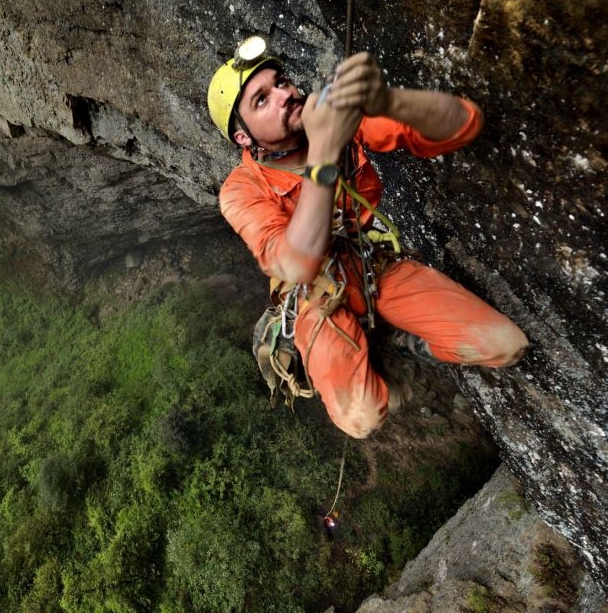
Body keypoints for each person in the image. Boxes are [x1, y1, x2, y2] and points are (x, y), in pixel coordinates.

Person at [207, 38, 528, 439]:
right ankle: (368, 351)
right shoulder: (241, 189)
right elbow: (295, 262)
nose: (285, 95)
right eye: (261, 100)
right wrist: (325, 148)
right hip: (316, 295)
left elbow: (465, 124)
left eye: (282, 82)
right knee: (362, 418)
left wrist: (390, 101)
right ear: (243, 138)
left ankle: (405, 345)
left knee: (504, 343)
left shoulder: (335, 119)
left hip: (372, 264)